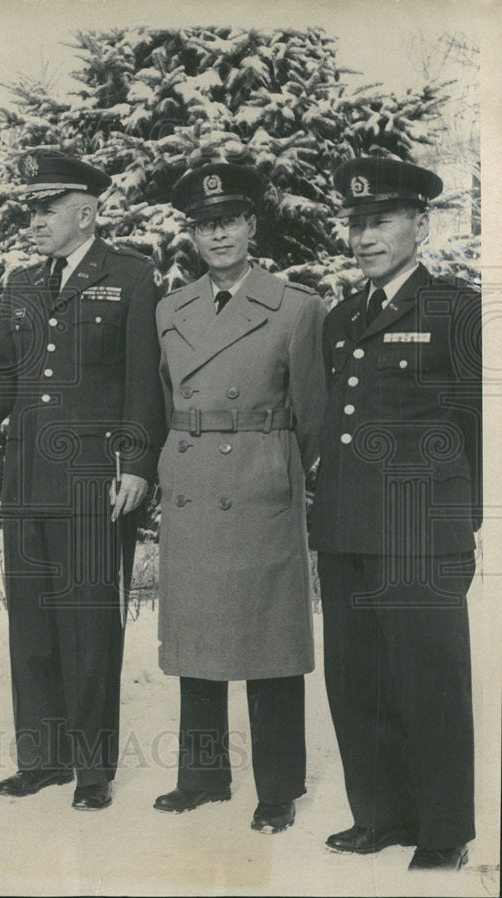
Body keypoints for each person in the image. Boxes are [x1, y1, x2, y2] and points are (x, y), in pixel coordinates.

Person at [0, 151, 163, 811]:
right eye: (29, 211)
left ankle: (92, 768)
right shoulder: (21, 282)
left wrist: (137, 464)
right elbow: (4, 372)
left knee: (89, 626)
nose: (33, 222)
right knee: (32, 624)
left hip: (92, 480)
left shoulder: (130, 276)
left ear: (86, 212)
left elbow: (143, 381)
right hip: (26, 475)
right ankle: (42, 758)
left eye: (46, 209)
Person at [311, 157, 481, 872]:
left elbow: (480, 423)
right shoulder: (343, 317)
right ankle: (379, 816)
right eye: (355, 225)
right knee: (358, 682)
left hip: (420, 533)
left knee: (428, 682)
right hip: (347, 528)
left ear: (420, 224)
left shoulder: (457, 309)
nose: (365, 238)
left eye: (380, 221)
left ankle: (442, 831)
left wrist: (459, 524)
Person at [151, 162, 326, 833]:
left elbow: (312, 414)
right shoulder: (172, 309)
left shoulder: (297, 307)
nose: (218, 235)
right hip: (193, 482)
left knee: (269, 637)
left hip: (260, 484)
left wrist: (273, 465)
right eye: (205, 225)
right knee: (197, 630)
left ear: (252, 225)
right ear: (192, 234)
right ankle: (201, 777)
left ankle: (277, 787)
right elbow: (169, 400)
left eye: (229, 221)